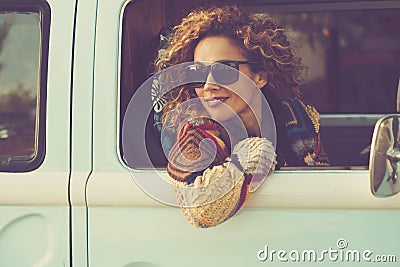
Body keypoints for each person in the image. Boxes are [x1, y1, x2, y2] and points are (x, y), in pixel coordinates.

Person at [151, 5, 328, 228]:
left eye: (225, 70)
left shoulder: (298, 117)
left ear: (260, 76)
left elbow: (321, 183)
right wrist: (248, 159)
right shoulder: (194, 134)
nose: (208, 86)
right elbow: (200, 211)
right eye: (197, 73)